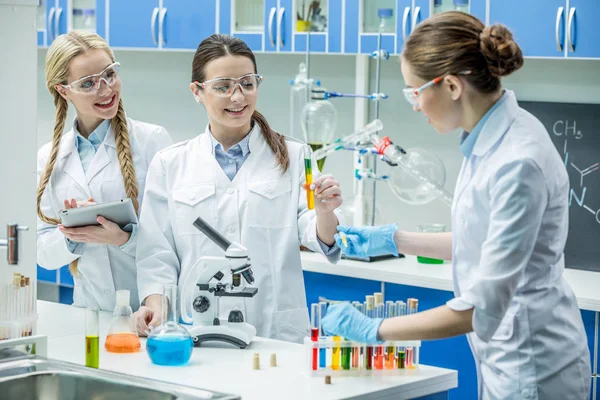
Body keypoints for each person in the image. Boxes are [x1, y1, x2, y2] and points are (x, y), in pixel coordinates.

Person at [323, 12, 591, 400]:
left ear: (450, 85)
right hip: (506, 358)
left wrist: (373, 329)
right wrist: (394, 239)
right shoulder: (487, 138)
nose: (414, 106)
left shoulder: (518, 160)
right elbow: (481, 241)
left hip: (534, 366)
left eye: (414, 92)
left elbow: (478, 310)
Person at [135, 34, 343, 343]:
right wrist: (156, 306)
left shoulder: (296, 155)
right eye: (222, 87)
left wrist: (326, 213)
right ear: (197, 91)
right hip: (197, 331)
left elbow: (316, 234)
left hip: (275, 333)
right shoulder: (171, 164)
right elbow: (156, 253)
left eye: (247, 83)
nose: (238, 97)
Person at [37, 31, 172, 311]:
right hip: (88, 312)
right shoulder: (49, 157)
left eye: (109, 74)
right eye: (88, 83)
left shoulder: (152, 142)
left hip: (148, 311)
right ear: (64, 90)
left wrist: (122, 238)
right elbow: (43, 255)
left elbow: (173, 241)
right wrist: (73, 233)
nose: (105, 89)